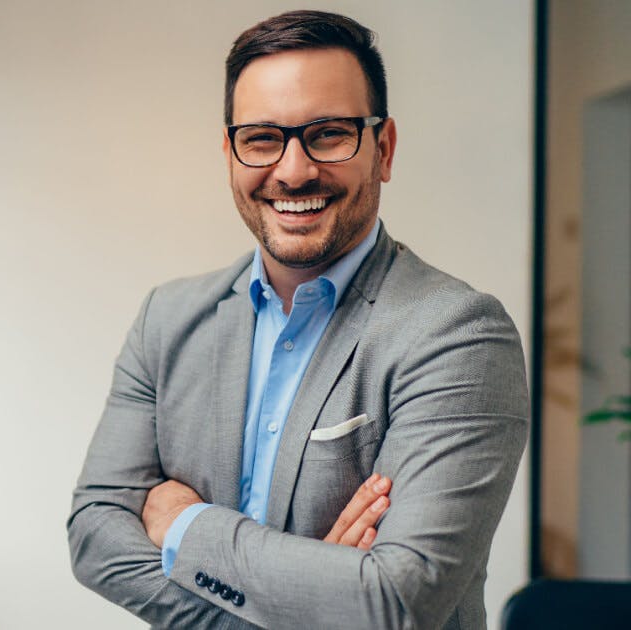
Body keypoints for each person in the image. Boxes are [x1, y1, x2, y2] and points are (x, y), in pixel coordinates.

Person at [66, 10, 528, 629]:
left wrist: (184, 523)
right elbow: (95, 537)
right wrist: (313, 599)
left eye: (329, 133)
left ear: (383, 148)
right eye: (261, 138)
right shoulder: (168, 319)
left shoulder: (459, 334)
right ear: (230, 153)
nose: (292, 170)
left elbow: (395, 602)